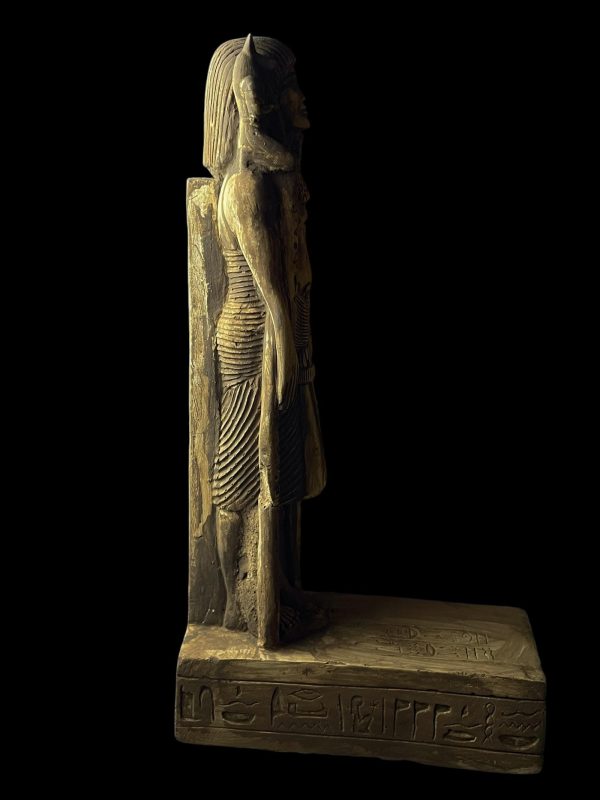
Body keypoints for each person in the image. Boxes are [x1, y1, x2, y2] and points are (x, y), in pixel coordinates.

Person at [203, 35, 326, 646]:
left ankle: (276, 587)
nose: (300, 97)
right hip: (252, 336)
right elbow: (266, 285)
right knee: (240, 472)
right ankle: (237, 601)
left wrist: (295, 341)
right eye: (288, 87)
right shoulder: (247, 184)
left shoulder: (277, 176)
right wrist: (283, 340)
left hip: (280, 331)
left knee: (280, 467)